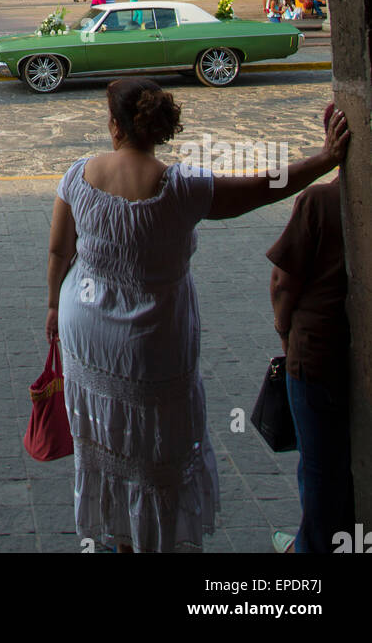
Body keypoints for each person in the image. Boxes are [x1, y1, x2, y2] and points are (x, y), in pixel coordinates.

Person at [46, 77, 349, 553]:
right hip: (152, 342)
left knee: (106, 438)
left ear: (114, 126)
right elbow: (264, 187)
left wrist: (49, 306)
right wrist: (324, 159)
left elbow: (59, 251)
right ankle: (154, 540)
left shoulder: (77, 174)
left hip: (85, 330)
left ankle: (121, 539)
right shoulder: (181, 187)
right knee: (155, 447)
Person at [268, 103, 353, 555]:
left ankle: (311, 548)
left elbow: (283, 283)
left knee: (318, 465)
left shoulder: (320, 202)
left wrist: (284, 332)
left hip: (317, 353)